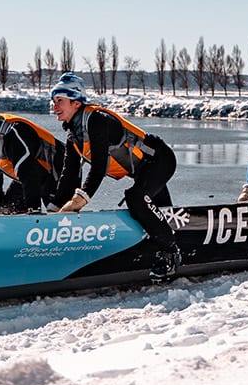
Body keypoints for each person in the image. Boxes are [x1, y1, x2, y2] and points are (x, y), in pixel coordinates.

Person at [48, 72, 182, 282]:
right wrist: (53, 209)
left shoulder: (96, 120)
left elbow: (100, 166)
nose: (54, 107)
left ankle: (170, 252)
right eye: (53, 101)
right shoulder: (73, 134)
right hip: (143, 171)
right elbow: (69, 174)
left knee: (136, 198)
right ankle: (169, 234)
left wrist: (81, 198)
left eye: (59, 101)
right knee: (158, 209)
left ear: (76, 103)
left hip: (160, 159)